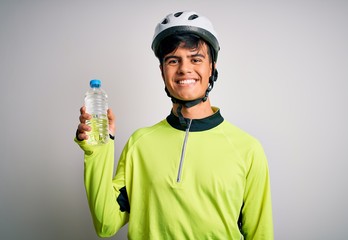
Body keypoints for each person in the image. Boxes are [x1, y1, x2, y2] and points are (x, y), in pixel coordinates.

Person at [75, 10, 273, 239]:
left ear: (212, 68)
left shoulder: (248, 149)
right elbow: (105, 224)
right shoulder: (140, 144)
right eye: (173, 60)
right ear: (162, 71)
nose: (184, 69)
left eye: (196, 58)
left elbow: (260, 234)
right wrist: (98, 148)